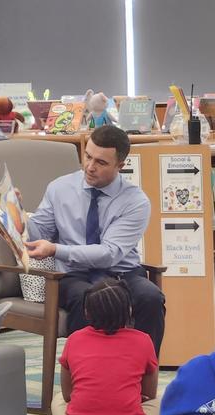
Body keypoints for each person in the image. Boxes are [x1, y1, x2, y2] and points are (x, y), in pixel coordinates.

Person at [24, 123, 165, 354]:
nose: (90, 167)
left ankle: (143, 382)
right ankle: (85, 381)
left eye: (101, 162)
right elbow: (39, 234)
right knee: (85, 298)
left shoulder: (135, 202)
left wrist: (56, 250)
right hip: (74, 275)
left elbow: (109, 254)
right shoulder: (60, 188)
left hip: (122, 274)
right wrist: (16, 214)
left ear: (121, 165)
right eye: (87, 156)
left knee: (150, 297)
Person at [53, 278, 159, 415]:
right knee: (161, 399)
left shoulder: (74, 339)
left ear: (87, 312)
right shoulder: (143, 340)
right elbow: (149, 394)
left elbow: (67, 395)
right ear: (129, 310)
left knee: (57, 399)